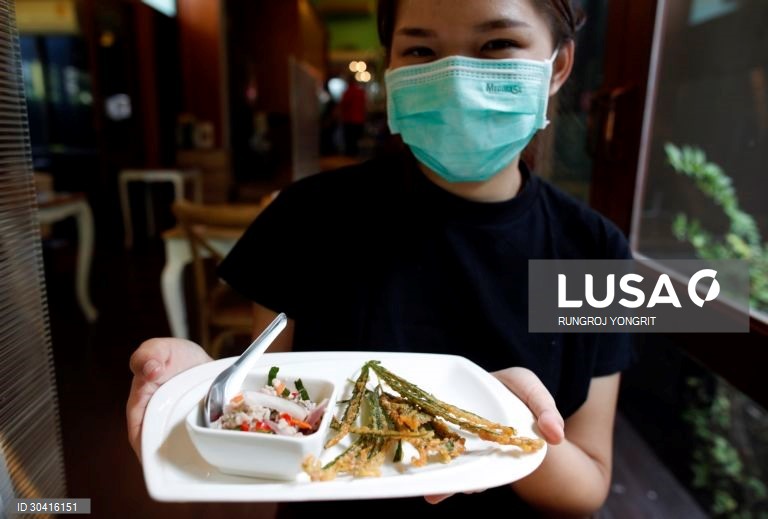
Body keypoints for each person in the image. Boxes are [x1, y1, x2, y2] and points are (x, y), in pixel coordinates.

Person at [128, 0, 633, 516]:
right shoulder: (309, 215)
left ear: (559, 65)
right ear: (391, 67)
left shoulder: (594, 253)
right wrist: (196, 397)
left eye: (497, 44)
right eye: (420, 49)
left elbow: (587, 485)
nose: (455, 79)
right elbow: (270, 419)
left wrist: (504, 420)